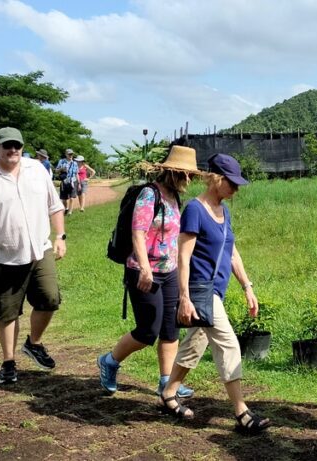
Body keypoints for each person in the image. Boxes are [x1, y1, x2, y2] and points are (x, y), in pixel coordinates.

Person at [159, 154, 271, 435]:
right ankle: (242, 412)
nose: (236, 190)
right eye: (232, 184)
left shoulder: (223, 211)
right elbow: (183, 258)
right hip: (200, 290)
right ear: (217, 179)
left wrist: (247, 287)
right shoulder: (195, 210)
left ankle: (169, 392)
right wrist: (184, 298)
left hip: (216, 291)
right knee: (228, 344)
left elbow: (231, 251)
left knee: (194, 345)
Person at [0, 127, 67, 385]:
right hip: (3, 256)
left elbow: (54, 206)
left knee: (50, 298)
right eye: (7, 145)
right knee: (7, 313)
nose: (13, 151)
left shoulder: (36, 170)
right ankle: (8, 362)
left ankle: (34, 343)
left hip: (39, 249)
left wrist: (60, 237)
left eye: (17, 146)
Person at [97, 145, 200, 399]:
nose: (189, 179)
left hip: (170, 272)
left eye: (192, 175)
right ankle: (109, 361)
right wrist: (144, 268)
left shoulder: (175, 197)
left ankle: (167, 382)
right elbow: (138, 233)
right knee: (147, 331)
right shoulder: (149, 194)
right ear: (173, 172)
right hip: (144, 272)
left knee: (170, 329)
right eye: (186, 174)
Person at [55, 148, 79, 215]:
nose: (70, 155)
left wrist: (78, 183)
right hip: (64, 181)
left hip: (73, 181)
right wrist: (61, 169)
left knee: (72, 197)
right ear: (66, 154)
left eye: (71, 154)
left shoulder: (75, 163)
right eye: (69, 154)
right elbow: (56, 171)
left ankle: (70, 211)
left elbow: (76, 173)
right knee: (64, 198)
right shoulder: (61, 161)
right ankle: (66, 208)